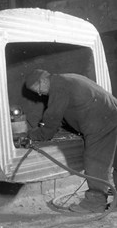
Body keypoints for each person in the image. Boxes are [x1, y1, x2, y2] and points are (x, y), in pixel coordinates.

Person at [25, 69, 117, 213]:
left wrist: (35, 134)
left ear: (42, 81)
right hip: (112, 114)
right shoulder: (67, 78)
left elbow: (52, 119)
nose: (38, 94)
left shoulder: (59, 86)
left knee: (95, 160)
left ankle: (95, 203)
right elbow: (69, 110)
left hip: (102, 124)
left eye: (36, 89)